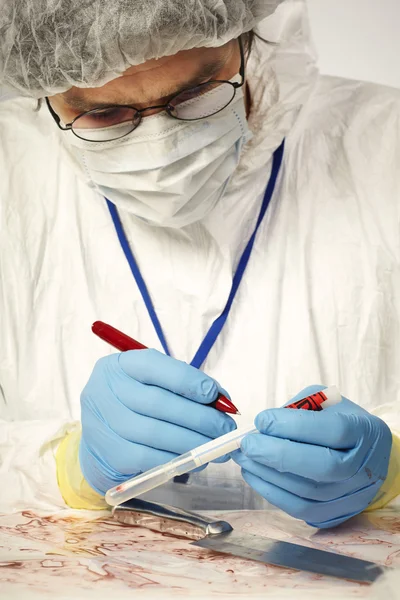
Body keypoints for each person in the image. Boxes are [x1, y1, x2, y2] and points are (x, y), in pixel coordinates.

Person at [0, 0, 399, 528]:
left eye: (195, 94)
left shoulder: (384, 145)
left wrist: (393, 469)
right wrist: (66, 468)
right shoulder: (9, 169)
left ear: (246, 39)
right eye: (102, 113)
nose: (160, 144)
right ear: (44, 95)